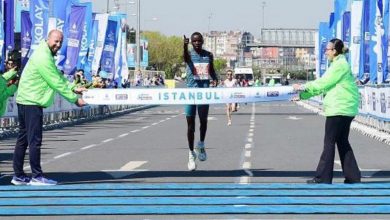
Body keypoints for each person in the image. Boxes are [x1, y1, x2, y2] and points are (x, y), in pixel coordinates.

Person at [12, 30, 87, 186]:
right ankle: (37, 176)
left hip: (26, 100)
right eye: (56, 41)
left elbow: (58, 77)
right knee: (34, 141)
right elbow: (55, 81)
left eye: (60, 42)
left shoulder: (44, 53)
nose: (58, 45)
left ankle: (18, 176)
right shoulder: (43, 57)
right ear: (48, 39)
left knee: (23, 139)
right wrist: (75, 99)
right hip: (32, 101)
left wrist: (74, 87)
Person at [292, 38, 361, 184]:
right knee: (342, 142)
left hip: (338, 108)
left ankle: (323, 177)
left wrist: (304, 88)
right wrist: (303, 95)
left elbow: (323, 82)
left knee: (329, 142)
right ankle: (353, 176)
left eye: (328, 50)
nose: (326, 52)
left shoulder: (339, 65)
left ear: (335, 51)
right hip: (346, 108)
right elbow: (326, 86)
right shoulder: (340, 64)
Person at [183, 32, 218, 171]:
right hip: (191, 93)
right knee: (190, 125)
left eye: (199, 41)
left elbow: (212, 71)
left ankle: (201, 145)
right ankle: (191, 153)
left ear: (202, 41)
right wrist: (184, 46)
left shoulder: (208, 55)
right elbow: (184, 57)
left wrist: (215, 78)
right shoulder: (189, 54)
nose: (197, 43)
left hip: (204, 92)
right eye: (194, 41)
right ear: (191, 42)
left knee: (203, 121)